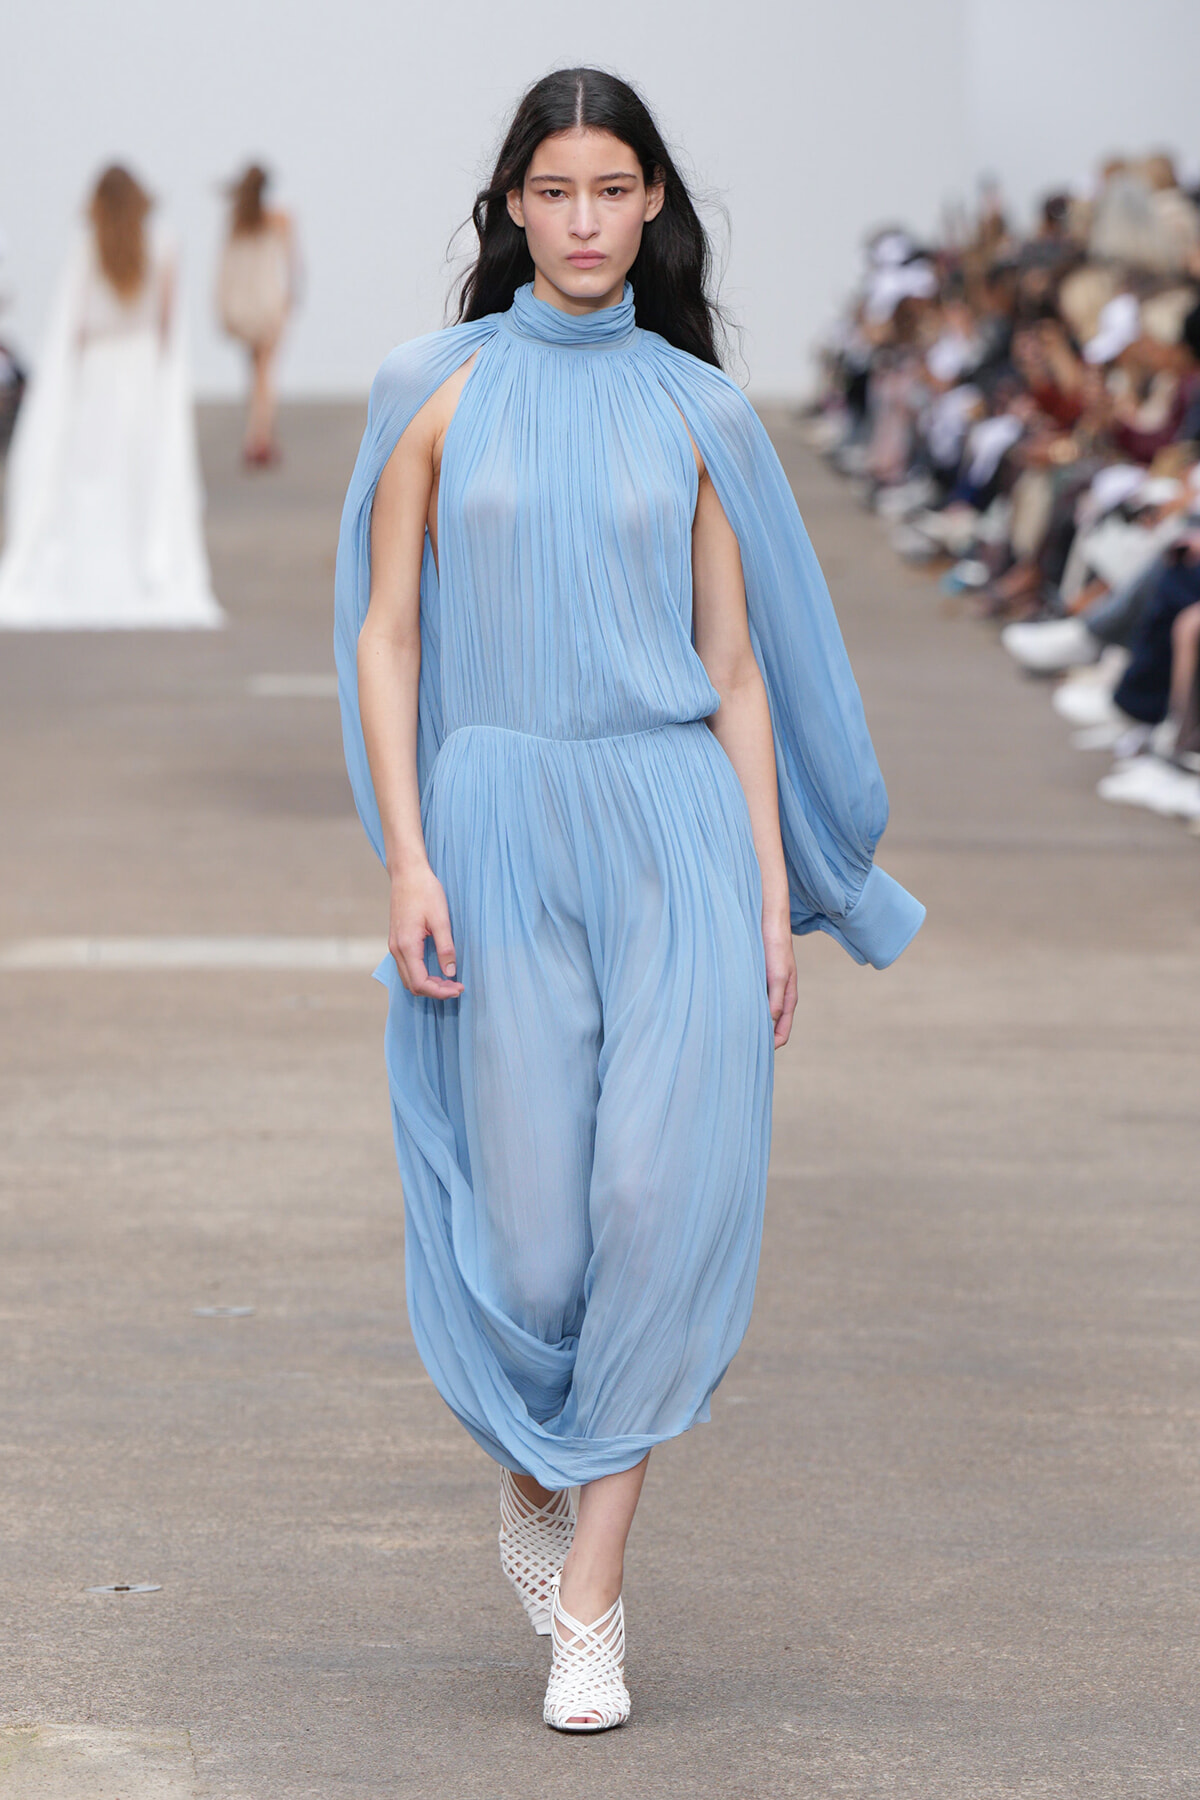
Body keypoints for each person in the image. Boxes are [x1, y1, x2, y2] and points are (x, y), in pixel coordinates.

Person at [335, 68, 923, 1734]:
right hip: (498, 821)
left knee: (663, 1194)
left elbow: (734, 670)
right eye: (555, 191)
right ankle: (539, 1466)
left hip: (671, 825)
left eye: (613, 190)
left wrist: (761, 895)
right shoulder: (426, 391)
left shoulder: (700, 414)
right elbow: (389, 632)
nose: (585, 221)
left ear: (653, 203)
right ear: (512, 207)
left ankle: (592, 1604)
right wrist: (408, 855)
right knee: (530, 1235)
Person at [0, 165, 221, 630]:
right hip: (140, 371)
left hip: (99, 372)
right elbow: (167, 323)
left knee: (90, 476)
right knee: (140, 472)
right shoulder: (163, 244)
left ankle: (87, 572)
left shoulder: (89, 245)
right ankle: (141, 566)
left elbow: (74, 325)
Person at [216, 164, 296, 467]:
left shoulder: (237, 221)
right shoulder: (280, 219)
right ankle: (258, 439)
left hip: (241, 303)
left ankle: (260, 433)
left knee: (254, 371)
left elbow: (225, 265)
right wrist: (290, 301)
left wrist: (223, 305)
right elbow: (291, 265)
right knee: (266, 372)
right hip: (267, 301)